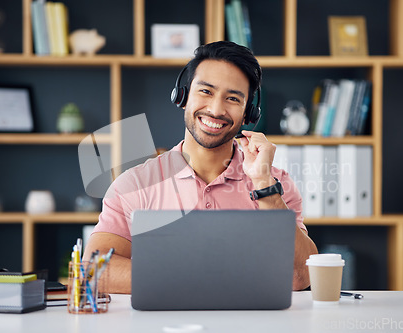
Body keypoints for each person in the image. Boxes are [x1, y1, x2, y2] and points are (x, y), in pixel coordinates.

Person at [83, 41, 318, 293]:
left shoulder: (274, 184)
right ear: (182, 97)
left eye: (232, 98)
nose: (216, 110)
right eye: (206, 91)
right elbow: (95, 271)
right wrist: (200, 276)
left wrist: (264, 185)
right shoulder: (134, 184)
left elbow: (300, 277)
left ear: (249, 113)